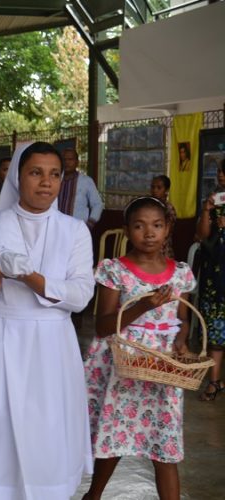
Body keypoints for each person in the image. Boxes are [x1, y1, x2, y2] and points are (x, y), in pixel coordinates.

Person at [0, 142, 95, 499]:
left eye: (54, 175)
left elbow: (80, 296)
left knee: (49, 434)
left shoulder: (74, 230)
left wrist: (29, 277)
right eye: (36, 172)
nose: (46, 183)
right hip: (0, 342)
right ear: (18, 177)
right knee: (1, 432)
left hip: (53, 347)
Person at [82, 196, 194, 500]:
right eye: (140, 226)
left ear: (168, 228)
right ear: (126, 230)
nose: (149, 233)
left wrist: (181, 344)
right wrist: (143, 305)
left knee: (165, 446)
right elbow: (104, 326)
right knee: (114, 440)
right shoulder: (114, 270)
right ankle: (92, 496)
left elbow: (181, 322)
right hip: (124, 365)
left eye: (157, 225)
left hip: (161, 370)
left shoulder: (180, 273)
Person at [195, 161, 225, 401]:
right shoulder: (214, 201)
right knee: (215, 332)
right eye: (219, 172)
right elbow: (202, 236)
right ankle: (214, 382)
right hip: (215, 277)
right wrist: (207, 211)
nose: (221, 176)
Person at [57, 148, 103, 229]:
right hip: (56, 227)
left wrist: (90, 223)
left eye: (70, 159)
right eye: (64, 159)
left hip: (77, 228)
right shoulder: (55, 180)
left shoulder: (86, 181)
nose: (67, 162)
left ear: (77, 162)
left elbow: (97, 204)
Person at [150, 175, 177, 258]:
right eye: (153, 187)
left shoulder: (169, 209)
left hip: (162, 250)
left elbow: (166, 232)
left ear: (166, 190)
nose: (154, 190)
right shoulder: (147, 206)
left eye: (159, 188)